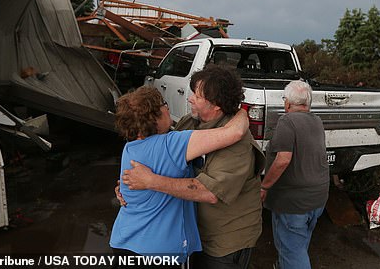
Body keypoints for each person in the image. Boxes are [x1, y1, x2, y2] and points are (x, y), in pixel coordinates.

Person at [119, 65, 264, 269]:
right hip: (193, 236)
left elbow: (210, 192)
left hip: (224, 241)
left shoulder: (237, 144)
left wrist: (151, 182)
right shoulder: (189, 122)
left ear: (216, 105)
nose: (190, 98)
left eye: (197, 95)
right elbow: (158, 156)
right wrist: (127, 186)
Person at [260, 80, 329, 269]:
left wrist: (264, 186)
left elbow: (283, 160)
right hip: (317, 199)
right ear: (307, 103)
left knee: (293, 253)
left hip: (293, 203)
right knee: (299, 245)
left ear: (288, 103)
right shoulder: (316, 120)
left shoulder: (287, 121)